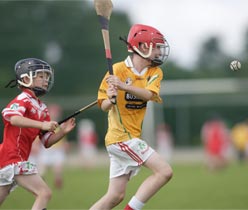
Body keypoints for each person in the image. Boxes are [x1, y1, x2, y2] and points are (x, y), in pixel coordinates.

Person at [90, 24, 173, 210]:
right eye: (156, 46)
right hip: (121, 138)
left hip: (130, 138)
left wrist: (123, 86)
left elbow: (149, 95)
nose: (159, 51)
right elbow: (103, 105)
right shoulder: (117, 70)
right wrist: (110, 99)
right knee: (164, 172)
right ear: (143, 46)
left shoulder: (154, 72)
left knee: (115, 196)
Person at [0, 58, 76, 210]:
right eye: (41, 76)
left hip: (12, 158)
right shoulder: (23, 99)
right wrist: (42, 124)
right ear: (26, 78)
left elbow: (46, 141)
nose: (46, 80)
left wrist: (62, 132)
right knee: (44, 193)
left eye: (47, 76)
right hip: (12, 157)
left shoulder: (42, 108)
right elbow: (12, 118)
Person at [37, 104, 70, 189]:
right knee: (42, 168)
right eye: (54, 112)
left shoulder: (60, 124)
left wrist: (65, 145)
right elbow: (39, 137)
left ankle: (57, 181)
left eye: (57, 112)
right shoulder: (45, 124)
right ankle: (40, 183)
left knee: (58, 168)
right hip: (46, 149)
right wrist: (36, 146)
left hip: (58, 149)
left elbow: (62, 137)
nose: (56, 114)